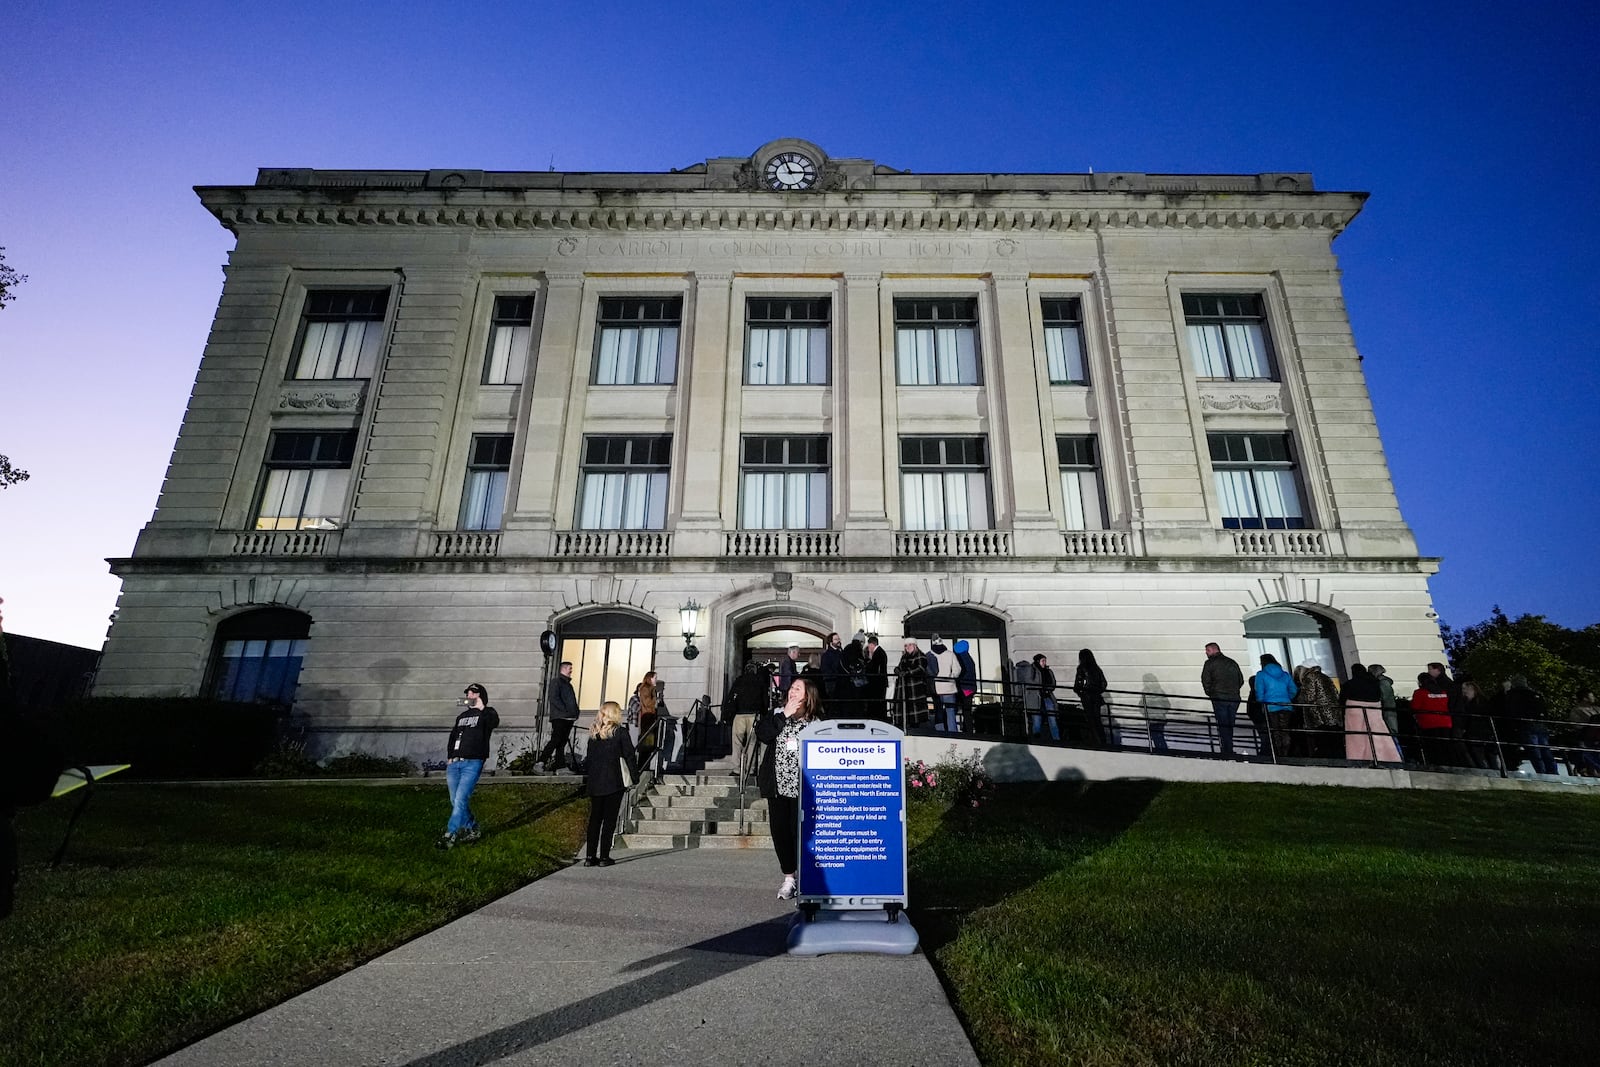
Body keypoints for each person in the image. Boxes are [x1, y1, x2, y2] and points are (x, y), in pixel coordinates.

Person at [756, 676, 822, 900]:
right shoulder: (777, 716)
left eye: (797, 689)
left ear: (807, 696)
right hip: (778, 788)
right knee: (780, 833)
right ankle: (789, 878)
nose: (792, 692)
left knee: (800, 833)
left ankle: (809, 877)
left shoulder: (815, 723)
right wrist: (784, 714)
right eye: (791, 688)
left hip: (803, 789)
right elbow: (762, 734)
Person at [438, 683, 500, 849]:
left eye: (473, 693)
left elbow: (494, 723)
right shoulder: (462, 717)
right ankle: (473, 828)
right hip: (455, 763)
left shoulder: (488, 713)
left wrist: (482, 709)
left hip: (473, 762)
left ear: (481, 695)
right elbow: (453, 736)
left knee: (460, 799)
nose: (469, 696)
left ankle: (450, 835)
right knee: (455, 800)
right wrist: (450, 756)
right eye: (468, 693)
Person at [581, 701, 638, 867]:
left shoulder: (594, 734)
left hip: (595, 781)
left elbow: (589, 760)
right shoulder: (620, 732)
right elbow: (629, 756)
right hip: (614, 781)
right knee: (609, 820)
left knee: (595, 820)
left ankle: (589, 856)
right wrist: (634, 777)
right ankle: (604, 856)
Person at [1341, 664, 1401, 764]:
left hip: (1354, 711)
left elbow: (1342, 699)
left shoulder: (1349, 684)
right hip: (1374, 709)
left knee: (1357, 736)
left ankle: (1358, 758)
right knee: (1378, 734)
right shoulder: (1375, 683)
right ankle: (1385, 756)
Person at [1502, 674, 1557, 775]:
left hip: (1525, 725)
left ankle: (1542, 772)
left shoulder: (1513, 695)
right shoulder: (1535, 694)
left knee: (1534, 751)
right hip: (1540, 724)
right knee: (1545, 750)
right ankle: (1553, 772)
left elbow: (1511, 710)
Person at [1410, 668, 1465, 768]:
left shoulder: (1420, 692)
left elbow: (1415, 707)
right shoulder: (1442, 692)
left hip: (1428, 723)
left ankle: (1436, 765)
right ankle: (1450, 765)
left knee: (1433, 746)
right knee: (1446, 745)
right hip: (1445, 722)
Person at [726, 661, 771, 780]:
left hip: (740, 714)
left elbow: (731, 697)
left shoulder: (739, 680)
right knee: (752, 743)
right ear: (755, 670)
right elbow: (765, 700)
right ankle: (750, 769)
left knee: (737, 742)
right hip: (754, 715)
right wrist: (764, 713)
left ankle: (737, 768)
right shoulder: (760, 681)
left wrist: (729, 714)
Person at [1200, 642, 1244, 757]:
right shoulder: (1232, 662)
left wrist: (1211, 693)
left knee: (1223, 725)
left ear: (1214, 650)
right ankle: (1228, 748)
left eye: (1208, 650)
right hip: (1234, 697)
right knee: (1230, 724)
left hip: (1219, 698)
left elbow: (1205, 680)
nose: (1206, 653)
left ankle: (1227, 750)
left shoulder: (1210, 663)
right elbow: (1241, 680)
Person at [1253, 654, 1297, 759]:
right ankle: (1286, 753)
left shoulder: (1261, 674)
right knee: (1284, 730)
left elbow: (1259, 692)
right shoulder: (1285, 674)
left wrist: (1261, 702)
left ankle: (1277, 755)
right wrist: (1286, 698)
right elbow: (1294, 690)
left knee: (1274, 731)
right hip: (1286, 706)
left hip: (1270, 706)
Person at [1295, 663, 1343, 758]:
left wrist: (1298, 698)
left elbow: (1309, 697)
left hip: (1320, 716)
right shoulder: (1325, 677)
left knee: (1323, 742)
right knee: (1334, 742)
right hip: (1333, 714)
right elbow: (1336, 693)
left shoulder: (1310, 677)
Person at [539, 661, 580, 772]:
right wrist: (566, 711)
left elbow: (572, 701)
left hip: (568, 717)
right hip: (560, 717)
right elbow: (554, 699)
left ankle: (560, 766)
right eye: (569, 668)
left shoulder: (568, 685)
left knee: (561, 742)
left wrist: (575, 712)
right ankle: (541, 762)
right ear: (564, 668)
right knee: (556, 740)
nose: (571, 670)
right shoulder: (556, 682)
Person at [1453, 679, 1499, 770]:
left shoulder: (1471, 704)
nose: (1464, 692)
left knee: (1480, 755)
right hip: (1484, 733)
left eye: (1466, 689)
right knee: (1488, 756)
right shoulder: (1482, 701)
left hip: (1476, 733)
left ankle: (1488, 770)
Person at [1072, 648, 1109, 748]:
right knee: (1097, 720)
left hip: (1087, 698)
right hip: (1097, 698)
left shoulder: (1081, 668)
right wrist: (1097, 692)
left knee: (1090, 720)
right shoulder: (1096, 668)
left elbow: (1077, 686)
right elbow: (1104, 684)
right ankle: (1103, 741)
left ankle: (1096, 742)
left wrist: (1080, 693)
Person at [894, 639, 931, 729]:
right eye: (906, 645)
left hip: (915, 687)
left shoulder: (920, 656)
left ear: (915, 645)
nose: (908, 647)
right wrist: (897, 670)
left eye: (910, 645)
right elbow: (899, 667)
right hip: (904, 687)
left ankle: (915, 727)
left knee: (915, 709)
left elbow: (921, 668)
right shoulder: (904, 657)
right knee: (905, 708)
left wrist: (907, 672)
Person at [1368, 664, 1402, 760]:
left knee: (1391, 735)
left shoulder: (1382, 683)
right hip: (1389, 711)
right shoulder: (1384, 682)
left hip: (1386, 712)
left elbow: (1385, 698)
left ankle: (1398, 757)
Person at [927, 634, 960, 733]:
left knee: (938, 710)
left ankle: (939, 732)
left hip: (935, 687)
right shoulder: (950, 654)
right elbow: (957, 669)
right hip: (949, 687)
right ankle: (952, 731)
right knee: (950, 711)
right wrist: (951, 677)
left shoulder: (928, 655)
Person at [953, 639, 978, 731]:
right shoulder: (969, 658)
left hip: (963, 687)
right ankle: (968, 728)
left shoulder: (959, 659)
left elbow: (960, 672)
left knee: (953, 708)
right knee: (967, 711)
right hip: (970, 688)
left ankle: (960, 728)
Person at [863, 636, 889, 721]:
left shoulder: (878, 653)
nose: (868, 648)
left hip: (878, 682)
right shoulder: (881, 652)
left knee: (877, 701)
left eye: (869, 645)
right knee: (880, 701)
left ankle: (878, 718)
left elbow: (873, 668)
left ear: (872, 644)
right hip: (881, 681)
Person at [819, 632, 845, 716]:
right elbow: (826, 670)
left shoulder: (841, 653)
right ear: (831, 642)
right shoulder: (826, 655)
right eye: (836, 639)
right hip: (832, 683)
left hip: (840, 683)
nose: (838, 641)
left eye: (839, 639)